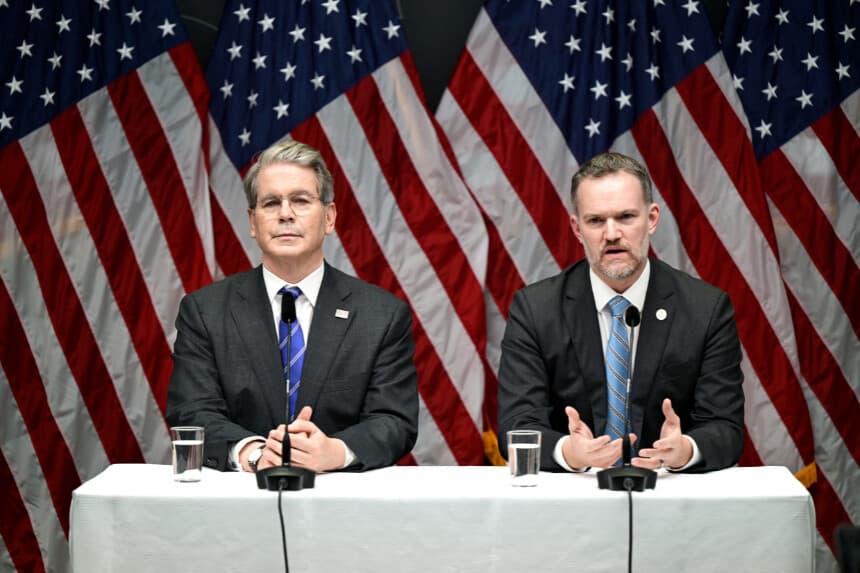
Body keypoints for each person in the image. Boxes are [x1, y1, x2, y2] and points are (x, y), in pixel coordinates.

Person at [166, 139, 418, 474]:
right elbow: (192, 411)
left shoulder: (381, 315)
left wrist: (336, 451)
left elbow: (394, 420)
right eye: (271, 203)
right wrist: (254, 453)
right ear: (253, 222)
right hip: (238, 507)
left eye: (300, 200)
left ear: (329, 218)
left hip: (343, 507)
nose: (286, 214)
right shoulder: (204, 312)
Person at [498, 152, 744, 473]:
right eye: (596, 220)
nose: (611, 234)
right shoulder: (536, 310)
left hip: (667, 494)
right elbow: (517, 426)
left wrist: (685, 450)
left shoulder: (706, 309)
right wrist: (570, 453)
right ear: (576, 227)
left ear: (652, 218)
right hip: (573, 499)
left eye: (626, 217)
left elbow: (726, 427)